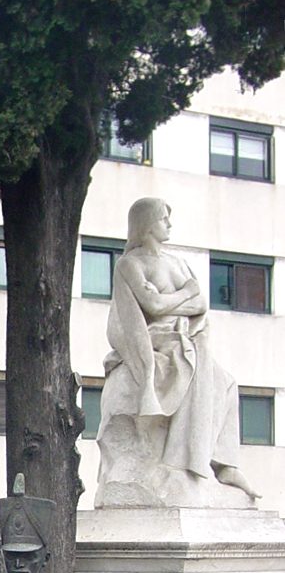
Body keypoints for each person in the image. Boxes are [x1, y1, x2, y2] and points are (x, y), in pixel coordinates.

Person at [96, 197, 258, 505]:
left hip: (187, 337)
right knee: (194, 371)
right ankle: (184, 461)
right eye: (163, 219)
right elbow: (153, 307)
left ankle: (225, 464)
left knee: (227, 382)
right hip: (159, 342)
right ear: (146, 224)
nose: (169, 224)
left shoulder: (176, 262)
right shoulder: (131, 264)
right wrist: (182, 295)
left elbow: (200, 304)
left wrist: (168, 301)